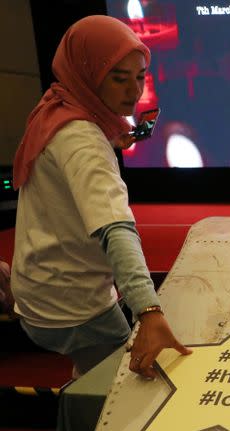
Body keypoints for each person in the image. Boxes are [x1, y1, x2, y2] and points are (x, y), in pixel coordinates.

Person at [10, 15, 190, 379]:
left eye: (139, 76)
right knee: (129, 388)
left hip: (38, 288)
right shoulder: (82, 139)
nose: (134, 91)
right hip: (72, 306)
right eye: (118, 78)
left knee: (92, 371)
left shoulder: (59, 105)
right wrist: (149, 312)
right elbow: (115, 228)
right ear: (88, 76)